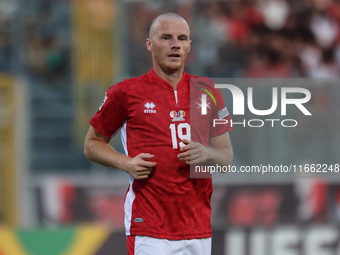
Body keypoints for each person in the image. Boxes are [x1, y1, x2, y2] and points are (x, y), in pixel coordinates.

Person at [84, 13, 233, 255]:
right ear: (150, 44)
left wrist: (206, 153)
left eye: (182, 38)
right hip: (149, 226)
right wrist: (126, 163)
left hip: (198, 227)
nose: (175, 44)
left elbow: (226, 158)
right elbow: (91, 144)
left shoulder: (208, 90)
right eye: (166, 37)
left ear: (189, 46)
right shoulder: (125, 92)